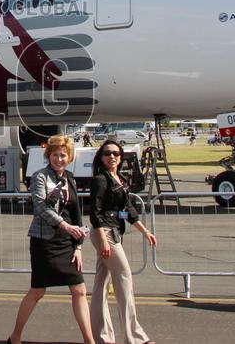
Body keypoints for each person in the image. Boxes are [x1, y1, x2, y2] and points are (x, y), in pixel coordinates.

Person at [9, 135, 93, 344]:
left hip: (67, 242)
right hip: (45, 241)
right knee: (37, 291)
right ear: (49, 156)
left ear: (70, 157)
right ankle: (15, 336)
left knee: (79, 290)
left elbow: (76, 214)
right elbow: (40, 207)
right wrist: (65, 226)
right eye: (55, 155)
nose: (59, 159)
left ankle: (89, 341)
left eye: (63, 155)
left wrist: (79, 246)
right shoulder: (40, 176)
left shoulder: (70, 179)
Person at [88, 140, 156, 344]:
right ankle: (135, 338)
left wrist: (145, 231)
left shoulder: (120, 179)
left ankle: (102, 337)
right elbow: (94, 212)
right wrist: (103, 241)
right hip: (105, 232)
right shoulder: (100, 179)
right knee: (124, 279)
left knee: (101, 283)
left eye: (116, 153)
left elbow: (128, 209)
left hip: (115, 231)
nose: (112, 157)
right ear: (101, 157)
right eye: (108, 153)